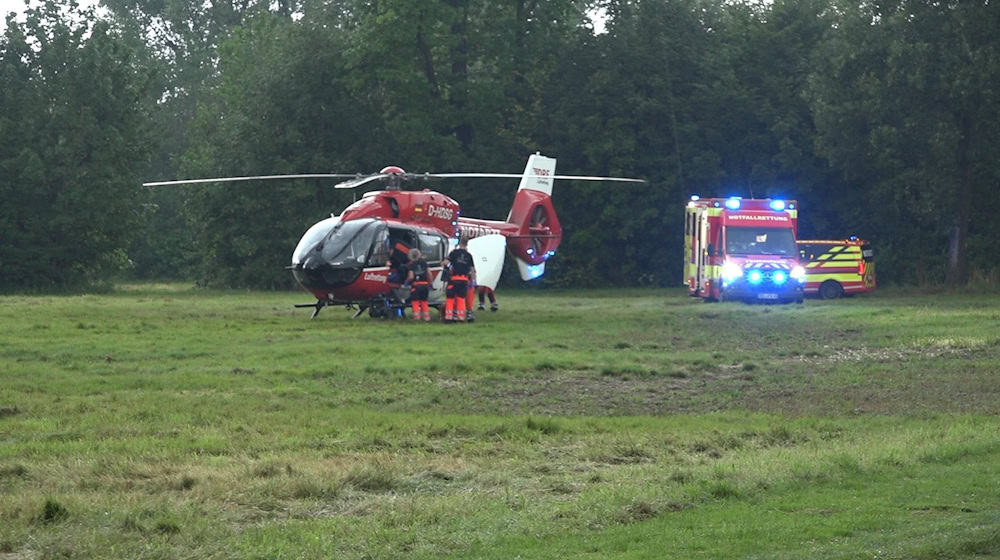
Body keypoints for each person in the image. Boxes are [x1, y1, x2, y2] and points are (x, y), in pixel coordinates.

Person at [442, 237, 475, 322]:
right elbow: (472, 270)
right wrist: (473, 281)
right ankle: (461, 317)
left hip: (454, 279)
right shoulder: (469, 255)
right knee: (461, 298)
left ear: (459, 243)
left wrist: (442, 262)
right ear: (467, 244)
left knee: (450, 298)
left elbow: (446, 263)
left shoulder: (454, 253)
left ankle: (449, 317)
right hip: (464, 280)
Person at [406, 248, 431, 321]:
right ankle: (426, 317)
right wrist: (430, 283)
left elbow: (411, 277)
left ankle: (417, 317)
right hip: (425, 285)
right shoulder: (424, 263)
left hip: (416, 285)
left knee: (415, 301)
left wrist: (406, 282)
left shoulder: (411, 264)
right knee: (424, 301)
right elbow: (429, 274)